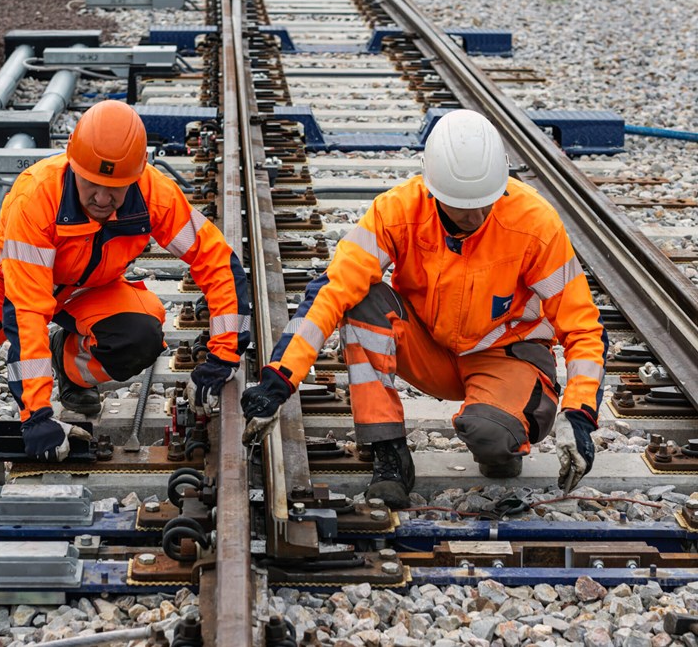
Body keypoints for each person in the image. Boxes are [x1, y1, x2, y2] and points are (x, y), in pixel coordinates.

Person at [240, 109, 606, 508]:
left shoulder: (535, 223)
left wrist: (580, 414)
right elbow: (331, 290)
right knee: (362, 299)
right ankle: (389, 453)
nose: (476, 215)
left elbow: (583, 327)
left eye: (486, 202)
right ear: (432, 191)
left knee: (490, 438)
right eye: (461, 206)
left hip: (506, 354)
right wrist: (278, 379)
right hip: (429, 349)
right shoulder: (396, 212)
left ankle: (501, 434)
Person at [0, 100, 250, 500]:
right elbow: (26, 312)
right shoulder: (36, 196)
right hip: (6, 279)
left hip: (87, 288)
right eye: (92, 184)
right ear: (72, 166)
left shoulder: (155, 195)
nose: (102, 198)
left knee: (139, 336)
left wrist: (223, 356)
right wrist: (37, 415)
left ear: (136, 176)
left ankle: (69, 362)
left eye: (116, 189)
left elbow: (218, 262)